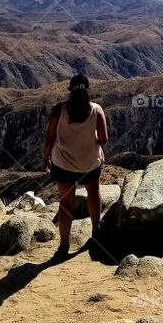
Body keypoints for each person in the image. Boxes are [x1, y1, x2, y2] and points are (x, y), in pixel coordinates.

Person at [43, 74, 108, 259]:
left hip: (63, 164)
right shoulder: (96, 109)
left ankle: (64, 245)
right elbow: (103, 139)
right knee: (93, 192)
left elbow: (50, 138)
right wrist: (90, 139)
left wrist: (45, 158)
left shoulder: (59, 109)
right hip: (89, 162)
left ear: (70, 90)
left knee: (66, 204)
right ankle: (96, 230)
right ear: (87, 90)